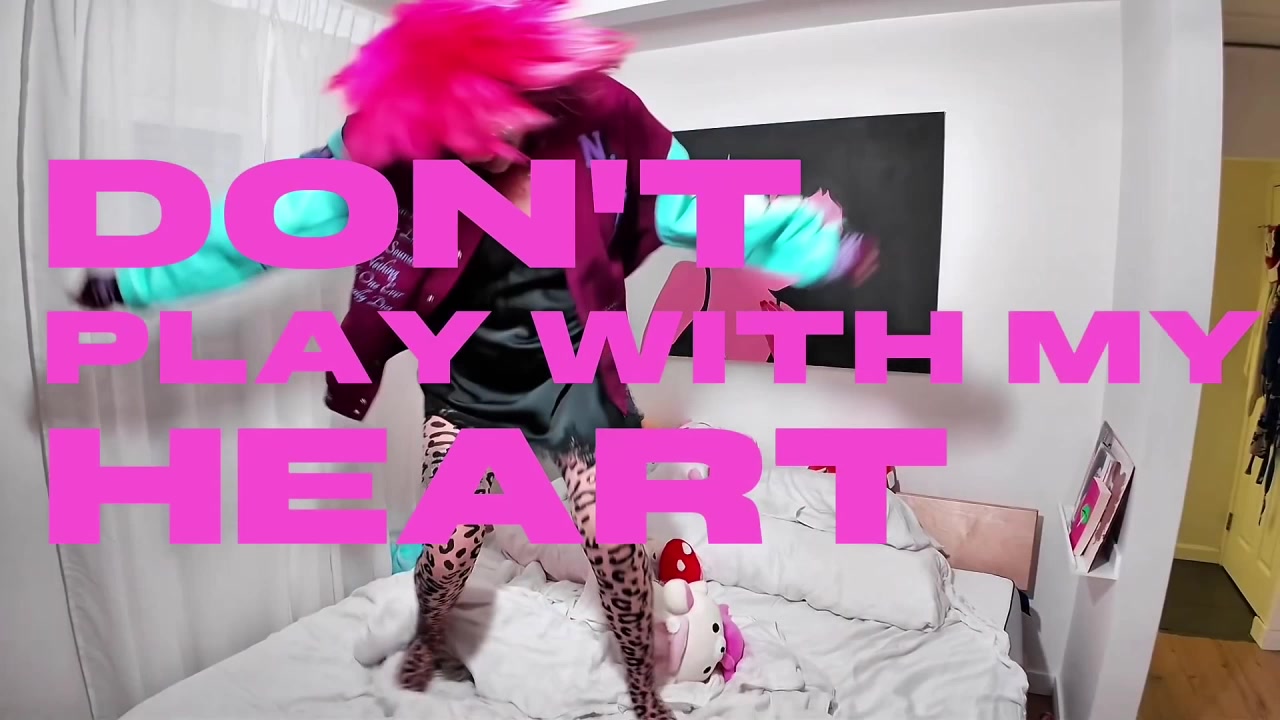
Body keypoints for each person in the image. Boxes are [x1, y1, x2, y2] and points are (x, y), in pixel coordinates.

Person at [73, 1, 878, 717]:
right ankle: (428, 638)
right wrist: (139, 281)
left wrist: (807, 246)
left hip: (578, 375)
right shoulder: (389, 147)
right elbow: (270, 220)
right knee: (449, 542)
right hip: (471, 382)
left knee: (615, 537)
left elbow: (703, 209)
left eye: (501, 120)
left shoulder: (605, 123)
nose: (488, 144)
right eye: (461, 131)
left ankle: (644, 695)